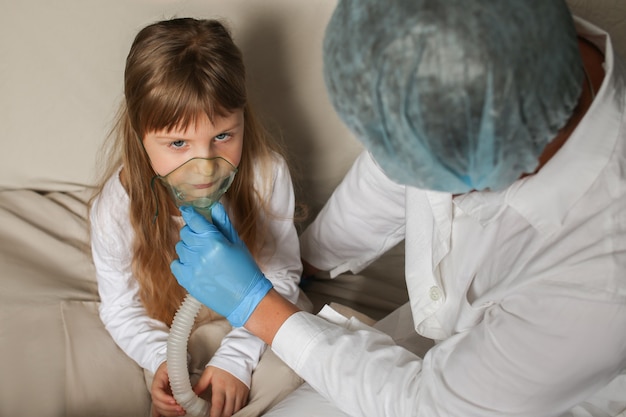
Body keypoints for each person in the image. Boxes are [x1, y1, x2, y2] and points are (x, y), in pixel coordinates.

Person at [170, 1, 626, 416]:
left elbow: (427, 407)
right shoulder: (454, 69)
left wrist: (256, 305)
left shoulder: (599, 281)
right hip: (435, 345)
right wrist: (299, 260)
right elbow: (392, 172)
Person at [89, 18, 311, 417]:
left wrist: (236, 360)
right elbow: (120, 308)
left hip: (260, 318)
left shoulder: (266, 175)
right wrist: (162, 361)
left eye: (223, 136)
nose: (205, 167)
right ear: (140, 136)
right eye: (177, 143)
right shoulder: (116, 209)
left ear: (242, 119)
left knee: (299, 375)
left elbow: (282, 276)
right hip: (170, 331)